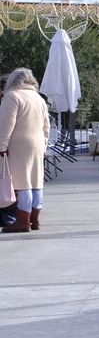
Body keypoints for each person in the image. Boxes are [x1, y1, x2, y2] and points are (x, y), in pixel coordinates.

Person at [0, 68, 50, 234]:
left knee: (22, 183)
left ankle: (23, 221)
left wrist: (1, 146)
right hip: (37, 144)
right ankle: (35, 220)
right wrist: (44, 142)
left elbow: (6, 125)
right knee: (36, 183)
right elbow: (46, 126)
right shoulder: (38, 98)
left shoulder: (12, 96)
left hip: (19, 144)